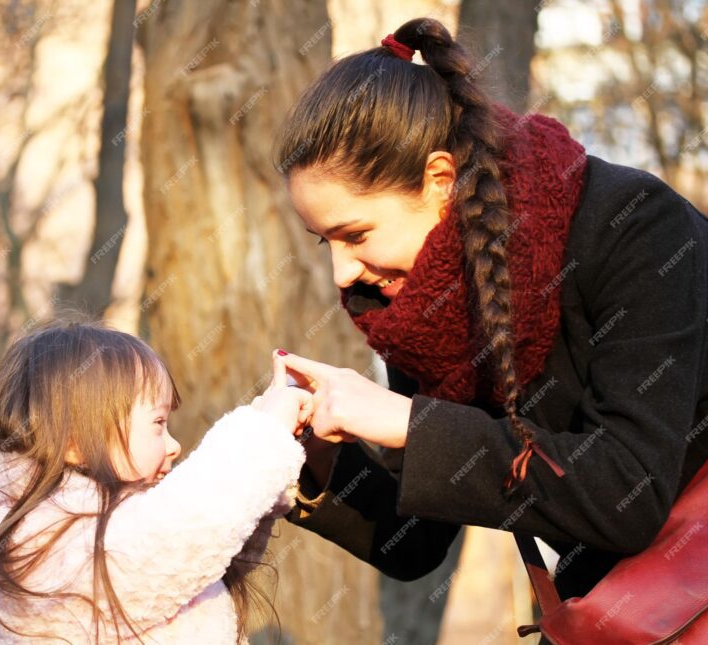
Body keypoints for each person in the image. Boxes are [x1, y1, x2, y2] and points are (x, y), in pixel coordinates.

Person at [271, 15, 708, 615]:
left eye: (356, 234)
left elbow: (627, 492)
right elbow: (415, 543)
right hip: (621, 616)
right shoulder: (414, 306)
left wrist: (410, 422)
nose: (343, 275)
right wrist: (320, 458)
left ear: (440, 180)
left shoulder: (634, 226)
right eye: (327, 242)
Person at [0, 320, 311, 644]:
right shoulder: (40, 539)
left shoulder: (114, 524)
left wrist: (274, 439)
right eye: (158, 422)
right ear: (74, 443)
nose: (173, 445)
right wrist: (263, 434)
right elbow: (178, 538)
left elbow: (211, 551)